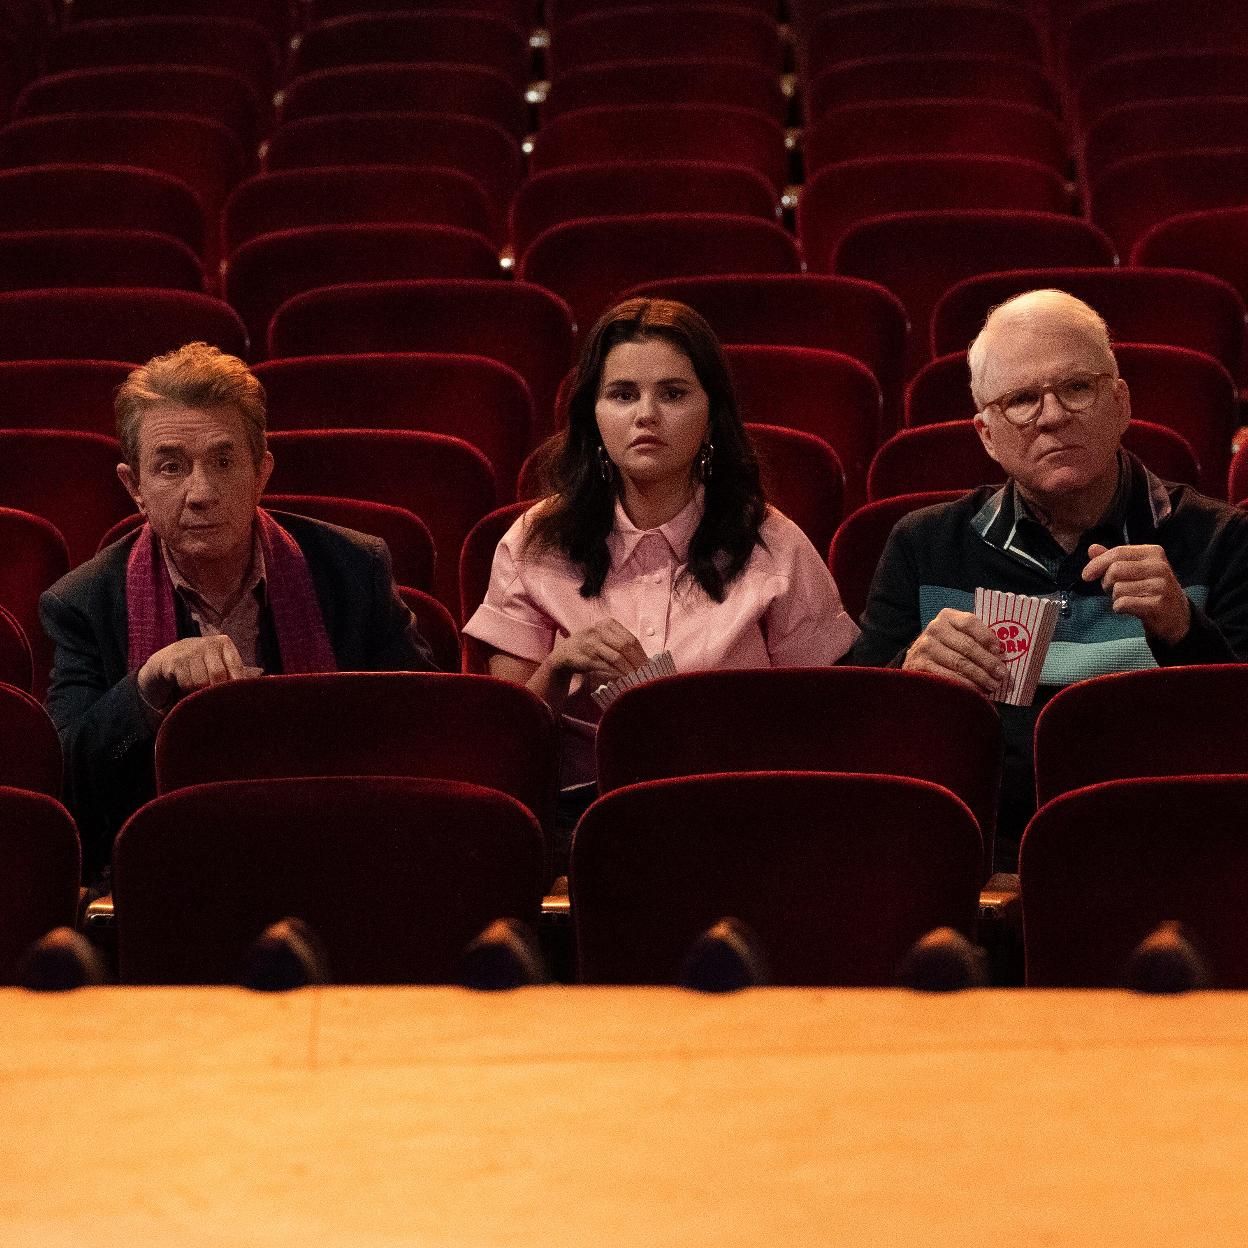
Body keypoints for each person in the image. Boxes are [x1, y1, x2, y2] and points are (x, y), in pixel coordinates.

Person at [851, 289, 1248, 863]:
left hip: (1176, 847)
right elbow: (862, 745)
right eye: (1021, 400)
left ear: (1120, 403)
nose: (1053, 416)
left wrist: (1186, 631)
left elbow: (1235, 744)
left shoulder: (1223, 540)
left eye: (1077, 388)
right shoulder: (922, 546)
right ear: (987, 434)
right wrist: (909, 677)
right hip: (984, 854)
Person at [463, 297, 858, 840]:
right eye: (623, 395)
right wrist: (558, 667)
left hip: (739, 816)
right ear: (594, 414)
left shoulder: (773, 543)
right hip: (580, 820)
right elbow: (505, 745)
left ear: (710, 414)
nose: (646, 414)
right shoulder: (534, 542)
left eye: (672, 394)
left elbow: (825, 730)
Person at [40, 342, 436, 881]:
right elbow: (66, 787)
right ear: (134, 487)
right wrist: (145, 688)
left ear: (262, 472)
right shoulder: (84, 601)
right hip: (175, 868)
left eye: (223, 461)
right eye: (171, 467)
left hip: (340, 848)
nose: (201, 491)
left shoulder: (352, 568)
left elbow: (427, 731)